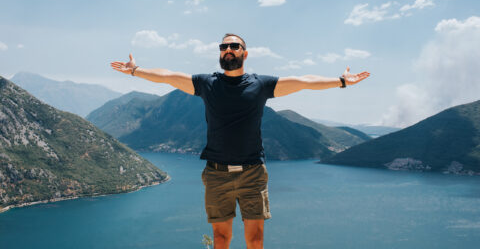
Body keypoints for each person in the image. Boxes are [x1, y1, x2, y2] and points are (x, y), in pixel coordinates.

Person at [111, 33, 370, 249]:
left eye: (235, 46)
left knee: (255, 241)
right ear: (220, 53)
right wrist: (136, 71)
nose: (228, 50)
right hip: (217, 174)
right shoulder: (206, 83)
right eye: (224, 46)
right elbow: (168, 76)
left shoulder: (261, 84)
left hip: (253, 173)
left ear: (245, 53)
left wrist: (340, 82)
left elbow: (303, 82)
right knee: (221, 239)